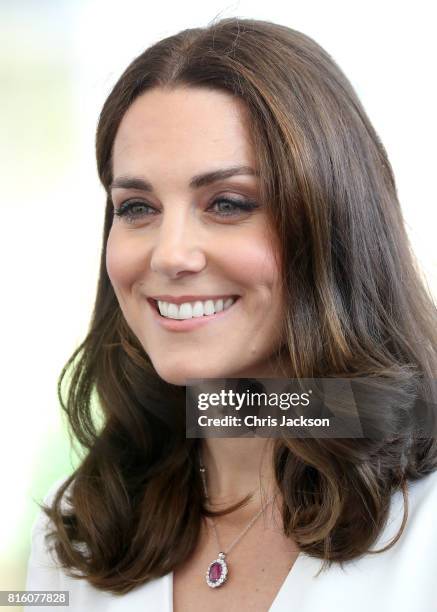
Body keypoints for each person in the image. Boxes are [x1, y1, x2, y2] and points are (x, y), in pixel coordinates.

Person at [25, 16, 437, 612]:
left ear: (334, 222)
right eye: (137, 206)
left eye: (227, 203)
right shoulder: (79, 530)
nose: (169, 255)